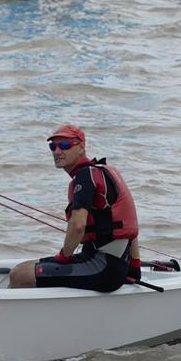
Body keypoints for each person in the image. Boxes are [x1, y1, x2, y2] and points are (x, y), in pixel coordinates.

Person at [8, 125, 142, 293]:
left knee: (19, 275)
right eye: (53, 146)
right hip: (111, 265)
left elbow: (78, 226)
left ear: (81, 147)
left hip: (102, 268)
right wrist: (134, 266)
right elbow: (130, 224)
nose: (57, 151)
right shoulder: (105, 171)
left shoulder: (85, 177)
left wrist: (64, 256)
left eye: (65, 145)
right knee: (24, 267)